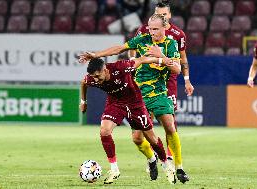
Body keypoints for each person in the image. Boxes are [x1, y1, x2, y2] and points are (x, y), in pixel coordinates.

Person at [79, 14, 189, 184]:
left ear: (164, 28)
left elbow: (176, 70)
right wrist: (95, 55)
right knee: (138, 138)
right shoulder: (142, 39)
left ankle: (179, 167)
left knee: (170, 126)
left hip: (158, 92)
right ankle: (152, 159)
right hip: (138, 93)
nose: (151, 32)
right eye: (150, 28)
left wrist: (162, 56)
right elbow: (118, 49)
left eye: (155, 29)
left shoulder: (170, 44)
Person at [80, 56, 178, 184]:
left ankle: (166, 165)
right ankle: (114, 169)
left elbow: (142, 60)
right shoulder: (92, 79)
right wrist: (83, 101)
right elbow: (83, 83)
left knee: (151, 138)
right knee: (104, 131)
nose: (96, 80)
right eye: (94, 77)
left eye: (98, 76)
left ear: (105, 69)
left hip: (135, 103)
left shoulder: (122, 67)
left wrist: (161, 61)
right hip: (115, 104)